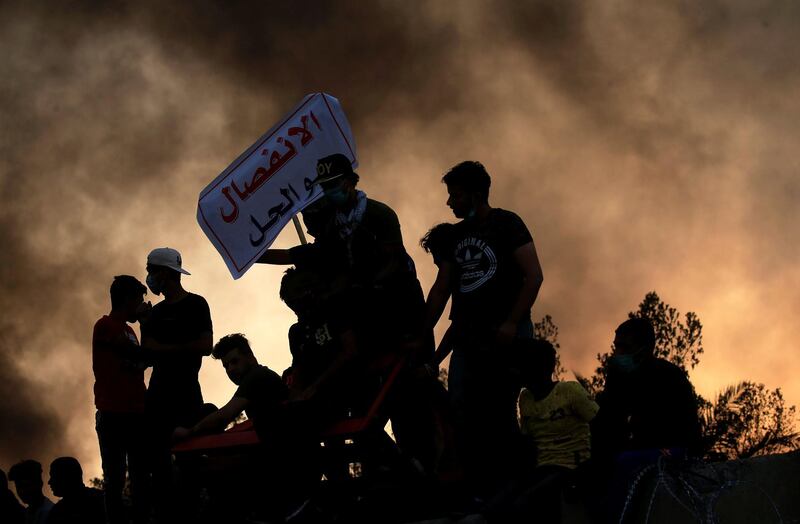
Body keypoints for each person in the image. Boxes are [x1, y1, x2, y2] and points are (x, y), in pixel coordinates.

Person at [423, 160, 544, 495]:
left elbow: (533, 277)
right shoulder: (455, 236)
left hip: (505, 336)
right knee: (461, 407)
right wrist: (419, 330)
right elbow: (441, 288)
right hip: (467, 339)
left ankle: (513, 487)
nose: (450, 202)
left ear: (476, 195)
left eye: (455, 195)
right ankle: (473, 487)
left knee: (501, 408)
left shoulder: (508, 224)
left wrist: (511, 323)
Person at [172, 334, 313, 521]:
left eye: (234, 361)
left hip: (287, 463)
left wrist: (190, 431)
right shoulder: (259, 380)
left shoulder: (257, 377)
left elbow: (224, 416)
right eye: (226, 366)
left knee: (202, 468)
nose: (230, 369)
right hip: (278, 459)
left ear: (250, 357)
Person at [589, 317, 702, 522]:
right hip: (640, 448)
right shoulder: (619, 376)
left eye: (625, 347)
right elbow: (607, 420)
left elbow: (686, 430)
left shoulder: (669, 376)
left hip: (672, 448)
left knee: (626, 462)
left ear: (645, 348)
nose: (618, 353)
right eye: (616, 347)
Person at [483, 339, 598, 524]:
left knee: (524, 504)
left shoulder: (569, 391)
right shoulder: (525, 398)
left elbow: (600, 425)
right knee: (494, 505)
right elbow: (527, 442)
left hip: (570, 468)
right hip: (540, 468)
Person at [140, 247, 212, 523]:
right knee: (157, 466)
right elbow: (148, 351)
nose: (149, 277)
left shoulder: (196, 304)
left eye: (151, 270)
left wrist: (164, 349)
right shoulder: (155, 314)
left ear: (165, 273)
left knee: (191, 462)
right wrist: (145, 325)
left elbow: (206, 346)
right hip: (158, 396)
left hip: (186, 394)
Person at [92, 275, 149, 524]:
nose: (142, 304)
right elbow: (139, 354)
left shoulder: (129, 330)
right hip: (113, 413)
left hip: (136, 412)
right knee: (115, 478)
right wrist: (147, 324)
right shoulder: (105, 325)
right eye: (139, 298)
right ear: (128, 299)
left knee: (140, 476)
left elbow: (144, 359)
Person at [46, 457, 105, 524]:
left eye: (53, 476)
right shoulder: (101, 499)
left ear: (65, 477)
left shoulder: (58, 512)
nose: (49, 482)